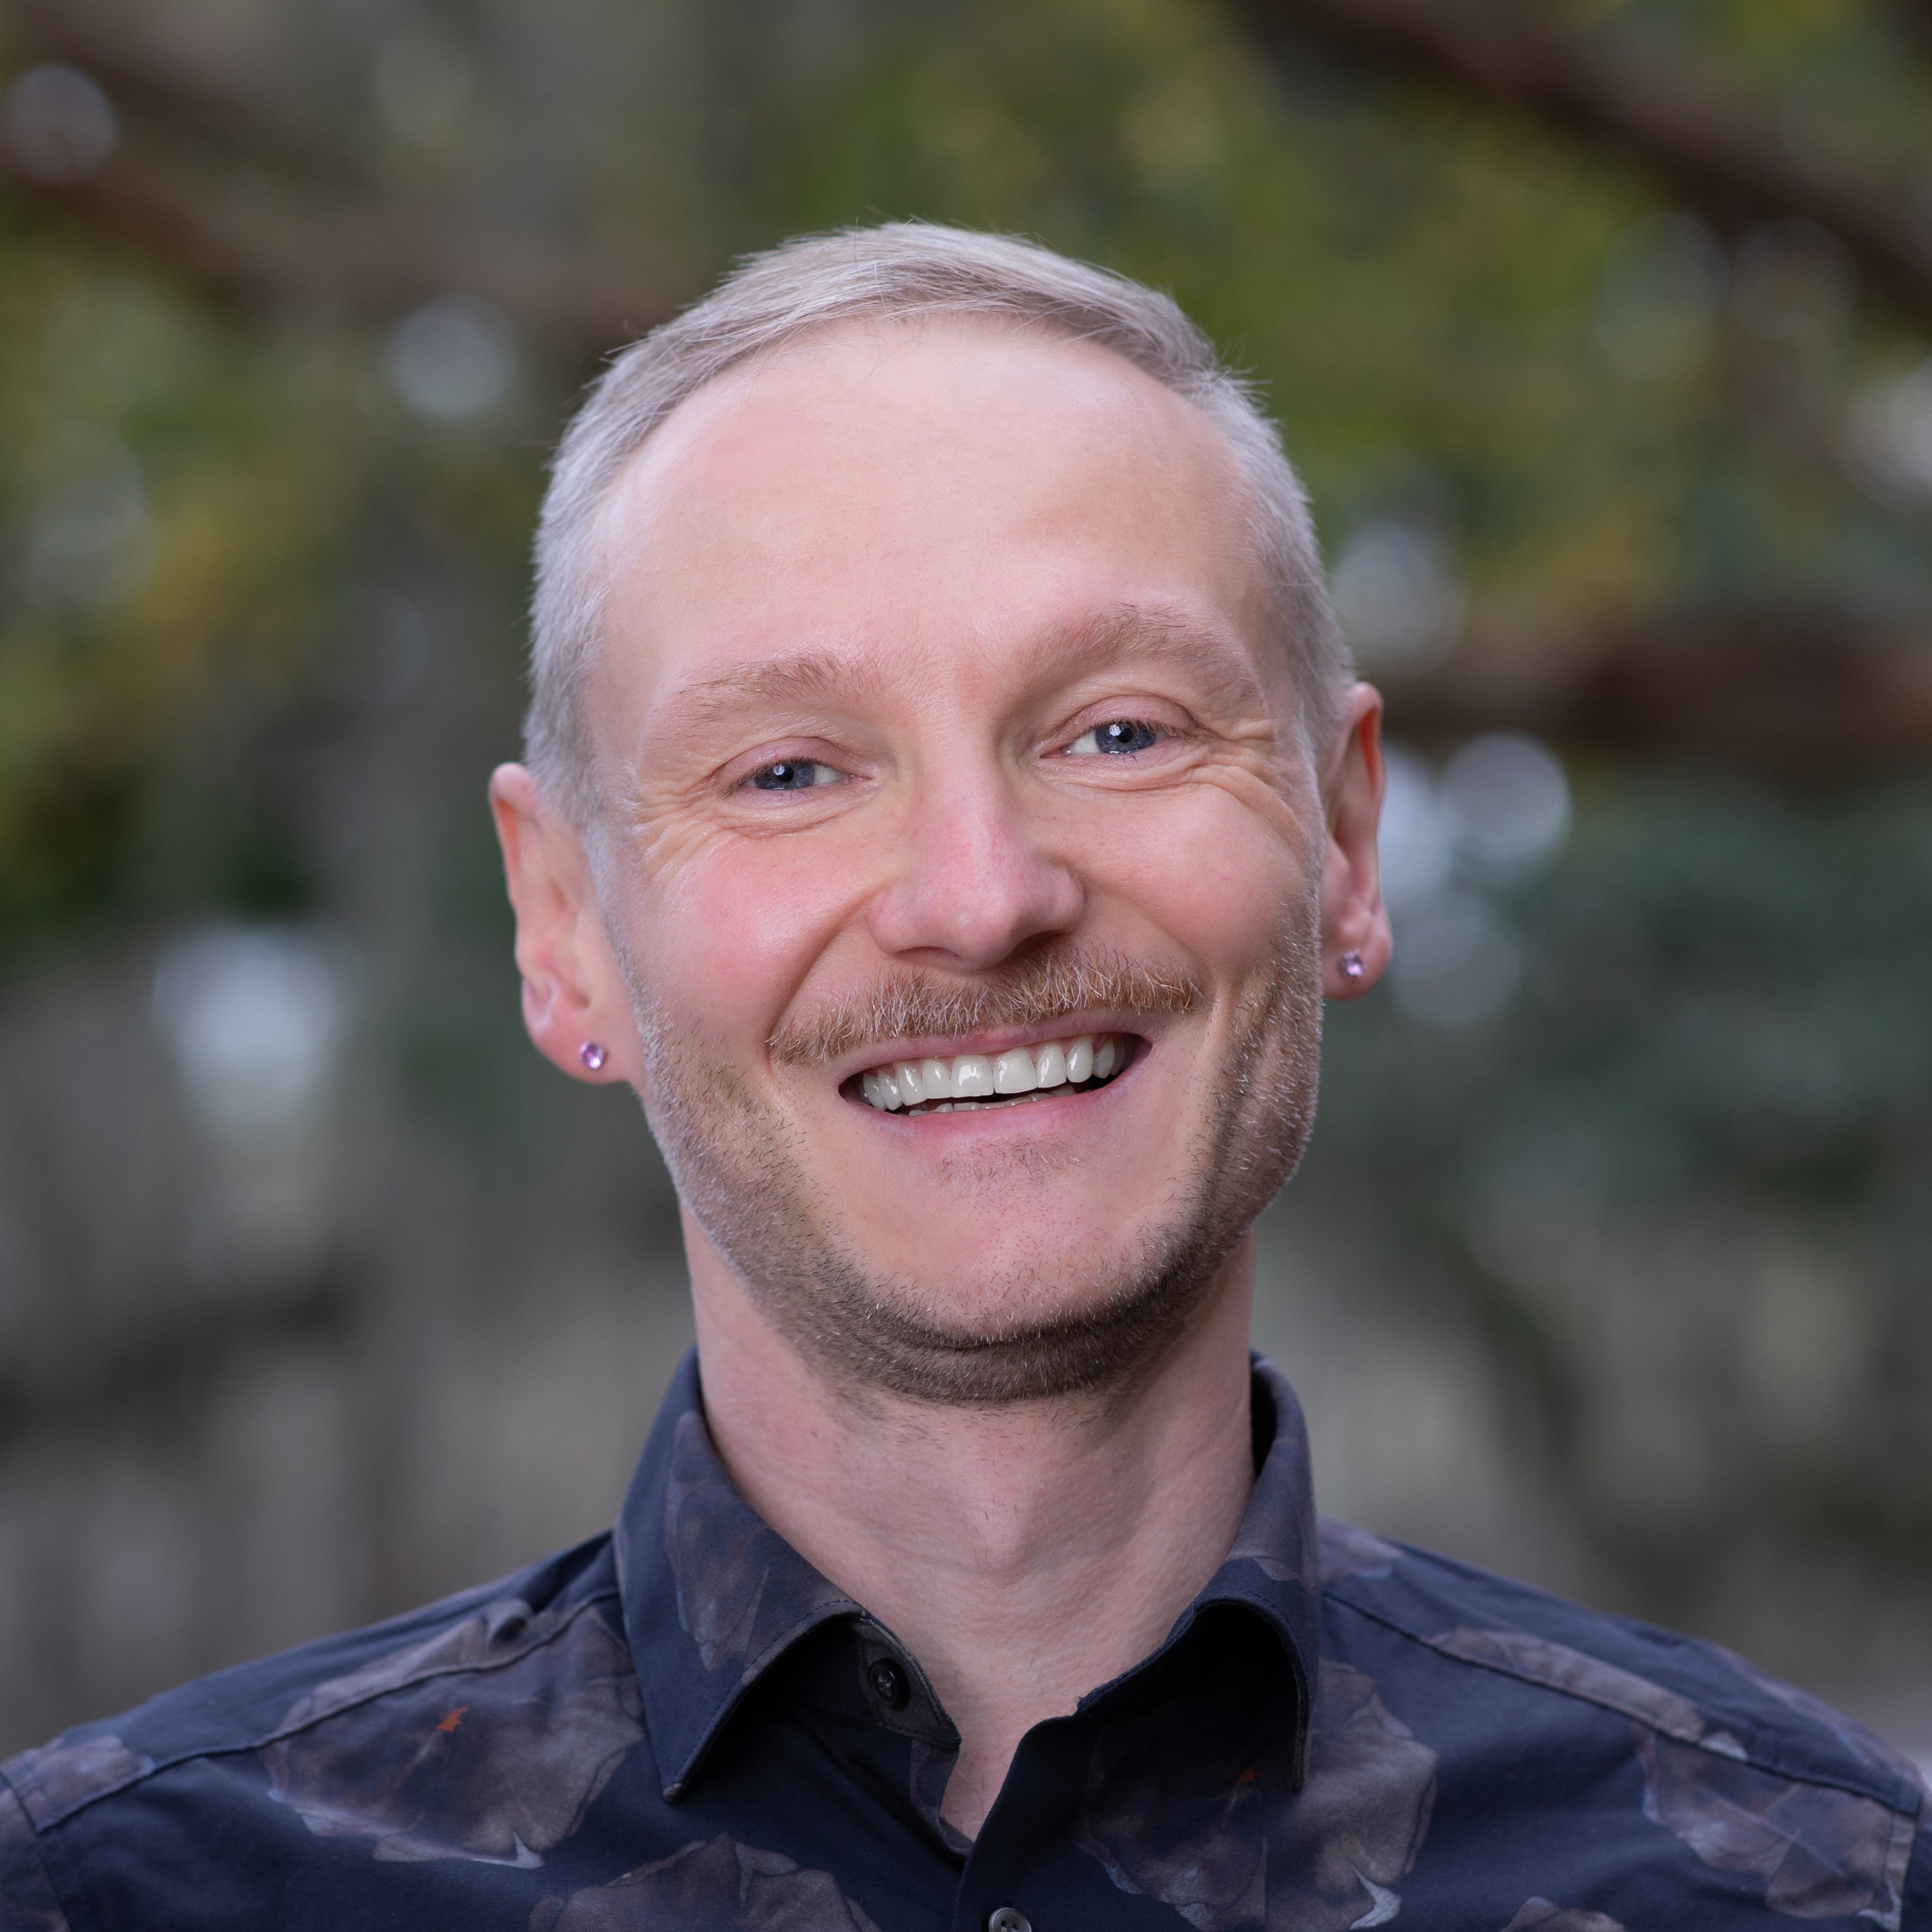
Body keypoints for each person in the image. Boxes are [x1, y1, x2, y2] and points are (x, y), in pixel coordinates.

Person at [2, 223, 1924, 1932]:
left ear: (1345, 842)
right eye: (791, 771)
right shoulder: (120, 1897)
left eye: (1117, 730)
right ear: (563, 925)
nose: (982, 899)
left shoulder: (1823, 1886)